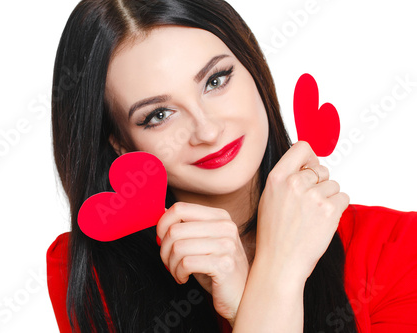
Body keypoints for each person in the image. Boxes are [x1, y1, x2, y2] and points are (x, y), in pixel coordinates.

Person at [47, 0, 417, 332]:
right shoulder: (90, 273)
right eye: (159, 115)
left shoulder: (398, 249)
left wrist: (269, 279)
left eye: (216, 80)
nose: (207, 130)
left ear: (253, 66)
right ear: (122, 145)